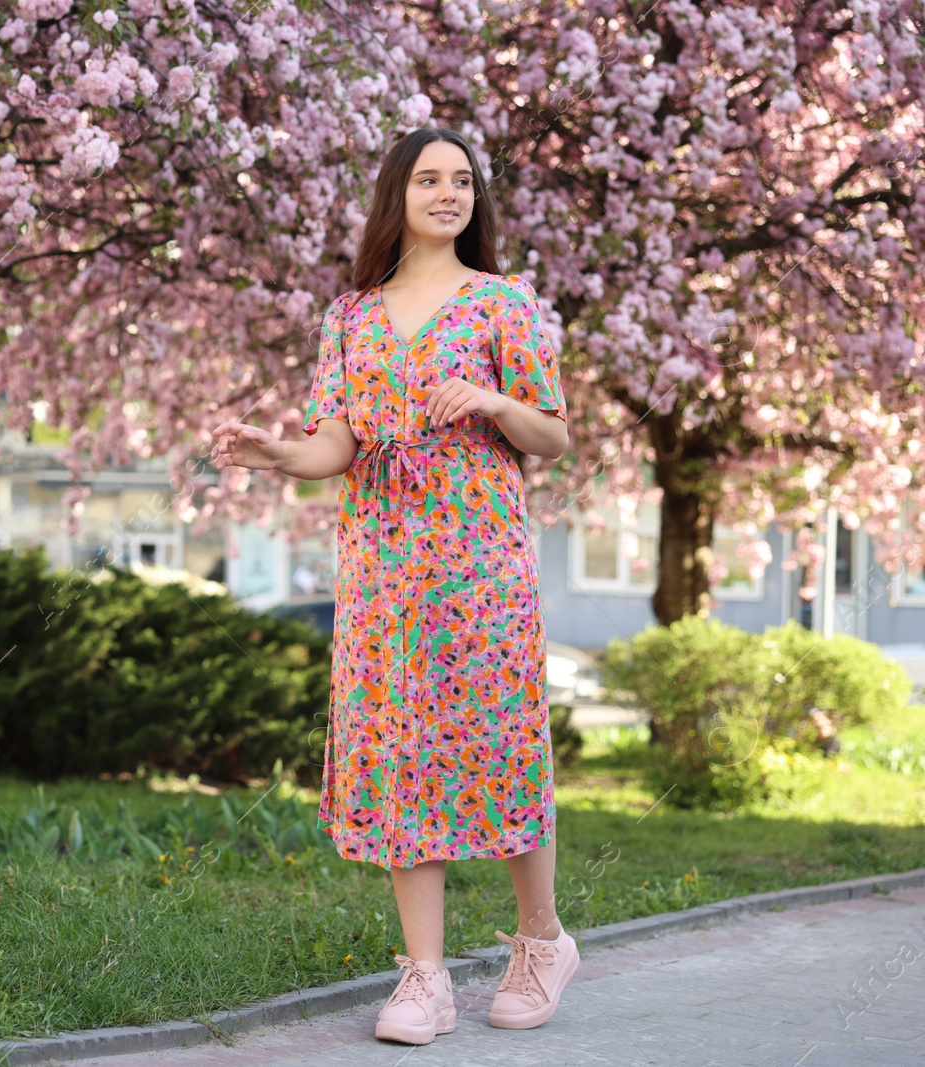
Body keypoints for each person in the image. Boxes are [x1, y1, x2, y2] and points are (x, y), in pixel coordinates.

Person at [211, 127, 575, 1047]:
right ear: (397, 195)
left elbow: (553, 435)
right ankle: (425, 978)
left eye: (463, 181)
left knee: (498, 742)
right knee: (400, 751)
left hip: (482, 563)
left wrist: (494, 403)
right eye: (429, 179)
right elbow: (336, 441)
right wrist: (277, 453)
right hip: (383, 569)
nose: (449, 193)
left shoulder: (503, 304)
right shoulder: (350, 316)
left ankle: (541, 942)